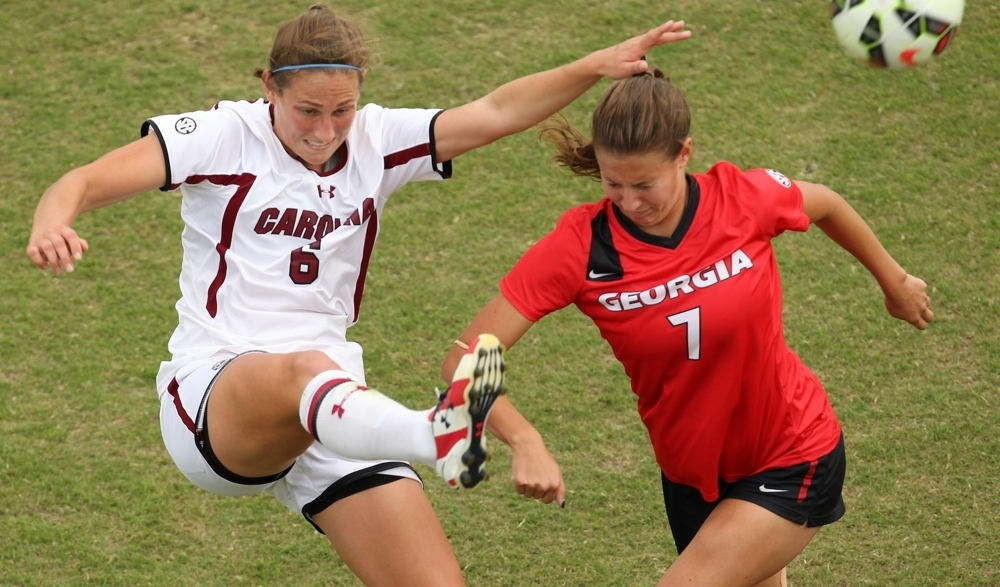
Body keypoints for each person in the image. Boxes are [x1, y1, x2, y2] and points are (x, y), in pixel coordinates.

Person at [25, 3, 691, 585]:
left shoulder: (376, 139)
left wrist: (592, 66)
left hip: (338, 412)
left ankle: (423, 432)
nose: (325, 130)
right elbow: (82, 180)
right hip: (215, 398)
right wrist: (54, 219)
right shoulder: (223, 135)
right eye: (307, 111)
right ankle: (434, 435)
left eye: (341, 109)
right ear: (268, 88)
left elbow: (493, 112)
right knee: (304, 369)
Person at [443, 68, 934, 587]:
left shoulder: (744, 199)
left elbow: (827, 203)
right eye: (614, 183)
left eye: (645, 184)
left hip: (791, 451)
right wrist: (524, 440)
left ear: (684, 154)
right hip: (691, 475)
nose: (630, 203)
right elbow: (461, 358)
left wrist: (894, 281)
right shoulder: (580, 249)